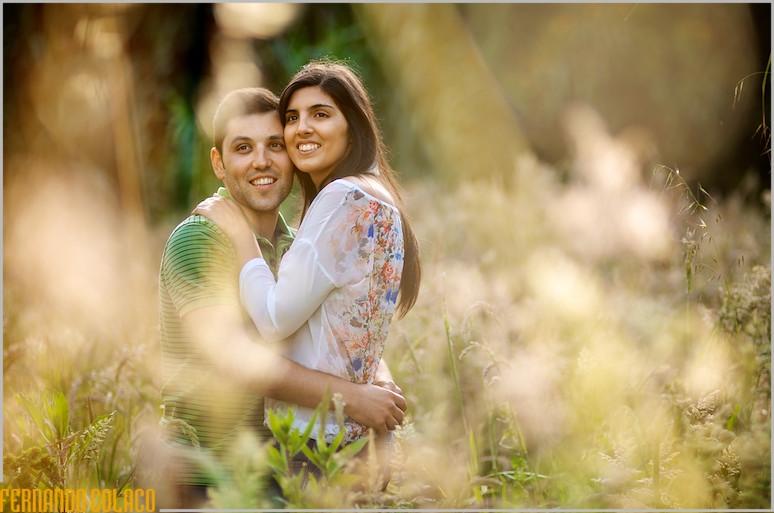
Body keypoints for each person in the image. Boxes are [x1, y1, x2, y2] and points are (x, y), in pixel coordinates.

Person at [158, 86, 406, 507]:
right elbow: (233, 358)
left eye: (275, 145)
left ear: (292, 155)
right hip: (209, 475)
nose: (261, 161)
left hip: (289, 468)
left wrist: (380, 390)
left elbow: (342, 323)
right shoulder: (200, 240)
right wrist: (354, 400)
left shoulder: (298, 242)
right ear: (219, 163)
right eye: (243, 148)